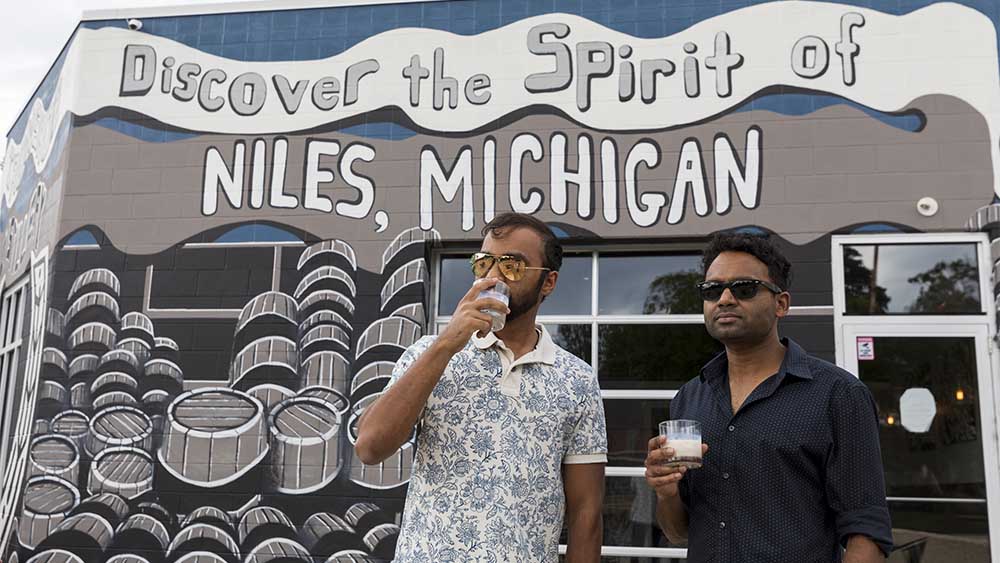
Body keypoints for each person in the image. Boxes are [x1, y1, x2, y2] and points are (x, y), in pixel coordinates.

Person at [355, 212, 607, 562]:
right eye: (485, 262)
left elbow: (586, 514)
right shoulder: (429, 353)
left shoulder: (577, 380)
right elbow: (370, 448)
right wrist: (445, 344)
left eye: (512, 265)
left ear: (548, 282)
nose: (493, 276)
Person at [644, 232, 893, 562]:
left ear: (781, 304)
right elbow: (678, 532)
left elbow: (866, 532)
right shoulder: (689, 399)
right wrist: (666, 491)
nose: (726, 299)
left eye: (744, 288)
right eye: (712, 290)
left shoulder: (839, 395)